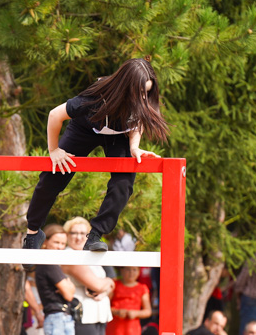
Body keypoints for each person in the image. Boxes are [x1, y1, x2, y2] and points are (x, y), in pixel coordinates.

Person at [22, 58, 169, 254]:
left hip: (118, 138)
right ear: (125, 87)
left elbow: (136, 123)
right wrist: (53, 150)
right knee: (54, 175)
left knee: (123, 184)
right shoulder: (95, 98)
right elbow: (54, 115)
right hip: (85, 129)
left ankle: (95, 236)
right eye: (141, 92)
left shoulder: (141, 101)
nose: (144, 97)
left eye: (147, 92)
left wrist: (134, 147)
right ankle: (33, 232)